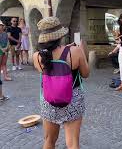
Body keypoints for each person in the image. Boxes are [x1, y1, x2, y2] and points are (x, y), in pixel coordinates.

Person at [33, 17, 89, 149]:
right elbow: (86, 74)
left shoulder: (36, 56)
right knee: (73, 143)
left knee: (49, 140)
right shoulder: (74, 52)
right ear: (60, 36)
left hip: (49, 100)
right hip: (72, 99)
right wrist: (81, 50)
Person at [0, 21, 9, 102]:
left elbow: (7, 41)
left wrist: (6, 48)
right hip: (0, 50)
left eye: (1, 25)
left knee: (4, 64)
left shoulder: (5, 34)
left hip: (4, 50)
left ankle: (5, 76)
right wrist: (2, 49)